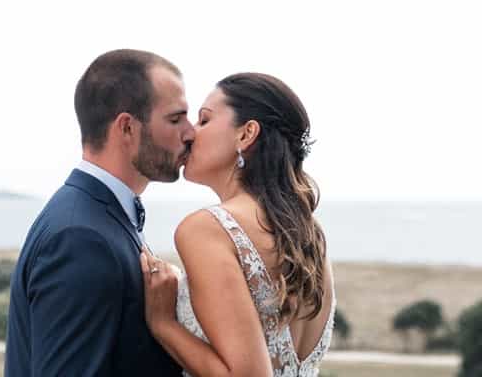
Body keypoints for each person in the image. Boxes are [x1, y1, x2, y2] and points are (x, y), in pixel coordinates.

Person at [5, 49, 195, 377]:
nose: (191, 132)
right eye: (176, 119)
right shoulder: (81, 238)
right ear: (126, 128)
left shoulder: (100, 216)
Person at [140, 73, 335, 377]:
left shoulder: (208, 229)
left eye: (204, 121)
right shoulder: (309, 234)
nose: (190, 134)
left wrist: (164, 324)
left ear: (246, 134)